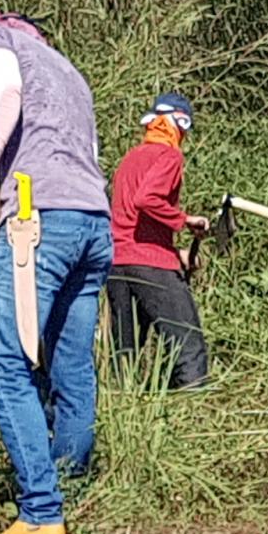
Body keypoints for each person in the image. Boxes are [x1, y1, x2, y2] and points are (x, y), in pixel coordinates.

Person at [0, 11, 113, 534]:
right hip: (95, 221)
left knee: (4, 363)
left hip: (37, 216)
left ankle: (42, 514)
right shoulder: (71, 72)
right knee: (70, 366)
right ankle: (71, 494)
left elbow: (3, 89)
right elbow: (91, 155)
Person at [106, 92, 213, 389]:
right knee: (189, 348)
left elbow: (129, 217)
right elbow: (146, 199)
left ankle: (123, 414)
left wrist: (174, 251)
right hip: (149, 263)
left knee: (125, 355)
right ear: (179, 123)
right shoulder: (169, 156)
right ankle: (193, 418)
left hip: (118, 263)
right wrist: (185, 220)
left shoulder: (130, 159)